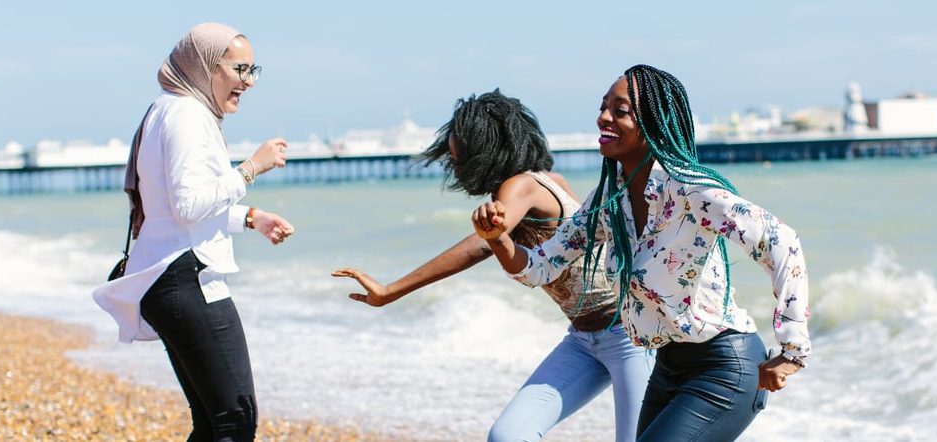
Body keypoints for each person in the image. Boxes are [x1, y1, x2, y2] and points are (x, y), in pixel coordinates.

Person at [471, 65, 811, 441]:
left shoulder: (688, 190)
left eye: (620, 111)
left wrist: (791, 350)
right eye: (603, 108)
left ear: (652, 122)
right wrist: (497, 238)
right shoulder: (611, 198)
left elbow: (781, 241)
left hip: (723, 369)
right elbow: (539, 267)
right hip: (666, 367)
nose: (603, 117)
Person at [332, 90, 654, 442]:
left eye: (458, 157)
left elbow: (479, 246)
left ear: (485, 151)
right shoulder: (546, 180)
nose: (454, 166)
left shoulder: (523, 186)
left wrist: (392, 290)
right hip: (582, 340)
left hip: (628, 337)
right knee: (508, 436)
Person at [92, 23, 295, 441]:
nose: (249, 81)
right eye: (240, 68)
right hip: (187, 279)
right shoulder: (187, 114)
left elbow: (170, 207)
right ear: (205, 64)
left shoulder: (169, 109)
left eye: (254, 69)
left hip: (169, 277)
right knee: (234, 421)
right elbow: (188, 206)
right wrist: (251, 168)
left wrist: (249, 218)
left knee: (214, 422)